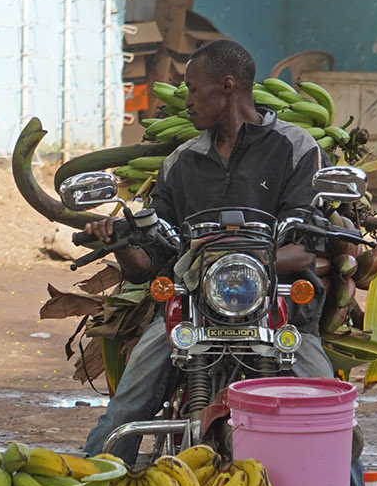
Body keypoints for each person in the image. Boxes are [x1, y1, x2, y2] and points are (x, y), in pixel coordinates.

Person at [82, 38, 331, 457]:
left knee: (328, 410)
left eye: (194, 90)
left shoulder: (296, 148)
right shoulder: (181, 162)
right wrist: (120, 241)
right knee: (123, 411)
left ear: (228, 86)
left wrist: (250, 261)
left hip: (277, 311)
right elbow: (148, 261)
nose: (187, 102)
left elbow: (307, 246)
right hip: (191, 310)